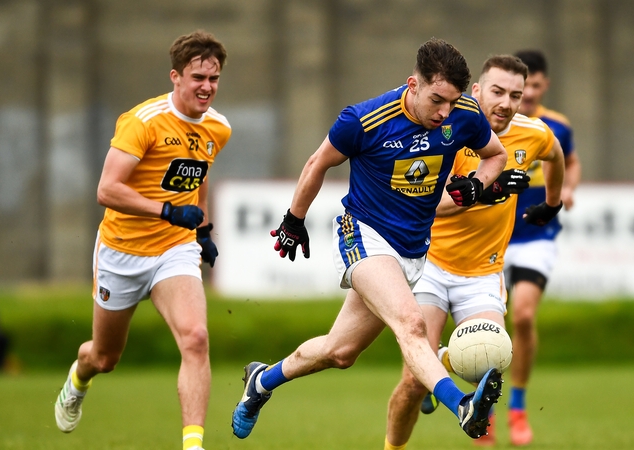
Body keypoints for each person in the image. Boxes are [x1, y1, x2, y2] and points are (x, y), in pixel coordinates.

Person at [230, 38, 508, 442]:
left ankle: (261, 381)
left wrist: (475, 187)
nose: (444, 112)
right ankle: (461, 405)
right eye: (437, 100)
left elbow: (495, 156)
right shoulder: (364, 119)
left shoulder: (463, 115)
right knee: (411, 324)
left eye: (452, 101)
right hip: (362, 233)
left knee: (340, 352)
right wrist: (294, 220)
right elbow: (316, 163)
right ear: (413, 84)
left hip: (412, 250)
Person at [53, 30, 230, 450]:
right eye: (197, 77)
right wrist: (167, 210)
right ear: (175, 77)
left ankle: (193, 445)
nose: (206, 87)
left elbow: (197, 176)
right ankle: (79, 379)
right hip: (122, 252)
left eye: (214, 78)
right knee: (105, 357)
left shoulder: (218, 128)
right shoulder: (143, 121)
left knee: (196, 337)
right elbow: (106, 190)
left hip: (174, 248)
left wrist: (201, 229)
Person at [386, 55, 565, 449]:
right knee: (415, 381)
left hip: (483, 273)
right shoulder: (443, 128)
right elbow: (431, 203)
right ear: (477, 91)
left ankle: (455, 375)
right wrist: (491, 189)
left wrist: (551, 204)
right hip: (428, 263)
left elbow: (555, 157)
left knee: (488, 367)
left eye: (515, 95)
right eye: (497, 92)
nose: (505, 102)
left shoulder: (533, 133)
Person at [503, 49, 582, 446]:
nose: (529, 93)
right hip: (491, 236)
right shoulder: (489, 125)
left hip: (536, 233)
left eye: (535, 85)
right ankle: (474, 397)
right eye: (523, 87)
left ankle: (516, 407)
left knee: (523, 316)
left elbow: (569, 160)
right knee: (484, 327)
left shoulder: (556, 126)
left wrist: (566, 188)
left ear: (544, 85)